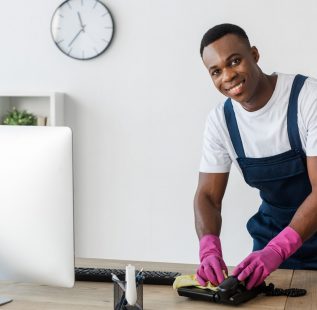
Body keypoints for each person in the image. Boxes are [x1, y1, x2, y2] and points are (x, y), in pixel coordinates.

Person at [194, 23, 317, 290]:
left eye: (235, 61)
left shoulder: (308, 98)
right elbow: (208, 197)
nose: (227, 76)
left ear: (255, 54)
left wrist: (278, 250)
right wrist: (209, 249)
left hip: (287, 244)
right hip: (270, 240)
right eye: (216, 71)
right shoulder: (221, 121)